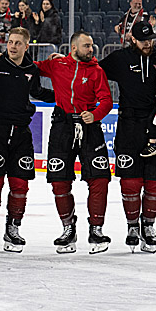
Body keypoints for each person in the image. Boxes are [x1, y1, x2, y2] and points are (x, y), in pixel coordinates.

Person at [0, 27, 55, 252]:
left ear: (26, 46)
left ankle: (13, 228)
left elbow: (38, 92)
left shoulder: (31, 69)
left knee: (20, 185)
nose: (12, 46)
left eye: (18, 43)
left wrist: (66, 95)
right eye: (10, 42)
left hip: (21, 133)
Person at [36, 31, 114, 253]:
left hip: (90, 127)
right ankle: (68, 228)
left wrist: (95, 114)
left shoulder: (97, 71)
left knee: (99, 179)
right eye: (87, 46)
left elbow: (107, 100)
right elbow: (28, 66)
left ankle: (96, 229)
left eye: (92, 46)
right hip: (62, 126)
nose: (91, 49)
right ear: (73, 49)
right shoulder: (57, 65)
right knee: (59, 180)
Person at [99, 21, 156, 251]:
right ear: (132, 39)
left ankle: (148, 225)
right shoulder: (120, 59)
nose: (148, 44)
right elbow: (94, 71)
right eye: (143, 40)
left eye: (151, 39)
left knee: (155, 181)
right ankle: (132, 227)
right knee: (130, 180)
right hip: (128, 124)